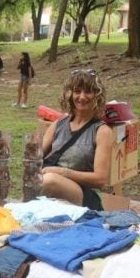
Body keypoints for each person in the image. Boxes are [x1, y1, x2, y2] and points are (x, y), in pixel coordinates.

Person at [39, 69, 114, 211]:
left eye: (88, 92)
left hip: (83, 195)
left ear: (97, 96)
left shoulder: (102, 131)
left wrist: (61, 172)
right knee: (43, 179)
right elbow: (35, 159)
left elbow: (100, 179)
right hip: (49, 186)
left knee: (50, 180)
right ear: (70, 94)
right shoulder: (58, 125)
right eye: (77, 91)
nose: (82, 97)